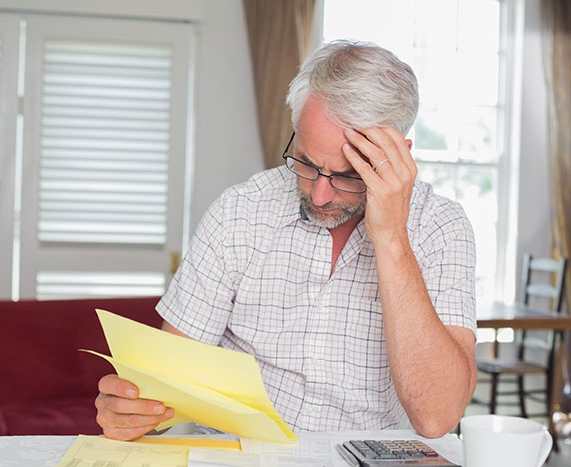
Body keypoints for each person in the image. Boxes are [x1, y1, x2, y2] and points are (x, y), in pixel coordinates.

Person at [95, 40, 477, 441]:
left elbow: (437, 417)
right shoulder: (241, 210)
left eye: (349, 175)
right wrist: (131, 409)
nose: (319, 196)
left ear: (398, 157)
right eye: (307, 164)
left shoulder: (441, 227)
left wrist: (392, 239)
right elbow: (164, 381)